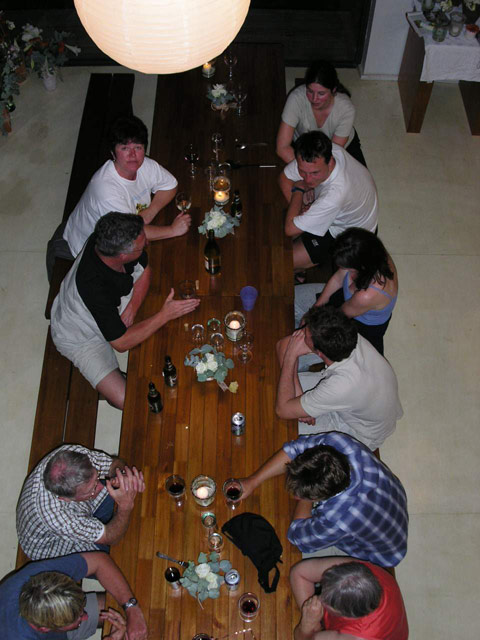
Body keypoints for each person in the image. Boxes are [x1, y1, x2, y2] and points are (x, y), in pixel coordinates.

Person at [50, 212, 199, 409]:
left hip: (108, 309)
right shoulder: (94, 288)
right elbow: (121, 343)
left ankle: (114, 332)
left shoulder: (106, 239)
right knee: (126, 400)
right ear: (123, 255)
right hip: (79, 336)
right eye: (141, 245)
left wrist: (132, 308)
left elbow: (145, 271)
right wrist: (165, 315)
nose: (147, 244)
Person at [46, 115, 189, 281]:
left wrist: (150, 211)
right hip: (77, 252)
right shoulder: (106, 190)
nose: (133, 155)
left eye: (138, 147)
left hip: (118, 240)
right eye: (125, 148)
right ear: (113, 153)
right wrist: (172, 230)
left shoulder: (145, 165)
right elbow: (132, 234)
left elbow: (170, 186)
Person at [239, 431, 408, 567]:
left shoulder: (338, 519)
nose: (294, 496)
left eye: (299, 495)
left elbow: (298, 537)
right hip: (393, 496)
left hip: (384, 552)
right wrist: (253, 481)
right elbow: (294, 449)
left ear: (320, 497)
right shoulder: (339, 443)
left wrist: (306, 499)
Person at [276, 306, 402, 451]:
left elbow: (282, 410)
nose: (302, 332)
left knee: (279, 426)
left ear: (320, 353)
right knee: (281, 388)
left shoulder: (341, 386)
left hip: (358, 431)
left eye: (305, 334)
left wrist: (291, 356)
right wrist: (299, 394)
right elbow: (283, 345)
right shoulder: (347, 336)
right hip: (364, 401)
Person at [16, 444, 145, 560]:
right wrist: (125, 507)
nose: (100, 487)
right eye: (92, 490)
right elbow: (110, 537)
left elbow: (112, 464)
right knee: (117, 557)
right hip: (59, 547)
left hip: (79, 510)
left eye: (97, 477)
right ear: (65, 499)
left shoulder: (72, 454)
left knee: (126, 494)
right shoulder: (58, 518)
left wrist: (121, 475)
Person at [278, 131, 378, 273]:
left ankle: (302, 268)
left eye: (315, 173)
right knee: (283, 228)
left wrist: (298, 190)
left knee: (283, 261)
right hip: (345, 209)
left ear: (330, 162)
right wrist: (301, 209)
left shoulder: (335, 195)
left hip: (351, 234)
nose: (307, 179)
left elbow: (290, 229)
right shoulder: (323, 152)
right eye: (302, 172)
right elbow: (284, 178)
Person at [295, 228, 398, 355]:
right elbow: (338, 279)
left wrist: (309, 324)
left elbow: (337, 317)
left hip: (355, 325)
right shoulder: (367, 250)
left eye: (347, 267)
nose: (341, 268)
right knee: (293, 301)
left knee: (298, 346)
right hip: (345, 301)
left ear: (361, 266)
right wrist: (316, 307)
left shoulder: (368, 295)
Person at [0, 550, 147, 640]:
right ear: (44, 628)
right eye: (78, 618)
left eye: (82, 610)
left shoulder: (40, 578)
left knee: (121, 606)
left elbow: (99, 561)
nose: (86, 616)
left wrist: (132, 609)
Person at [290, 556, 408, 640]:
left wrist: (308, 623)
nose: (318, 598)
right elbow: (299, 572)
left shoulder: (354, 637)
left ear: (344, 615)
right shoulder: (356, 573)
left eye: (327, 602)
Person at [277, 60, 367, 167]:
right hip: (303, 145)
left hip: (338, 147)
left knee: (359, 176)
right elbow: (282, 148)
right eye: (310, 91)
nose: (314, 99)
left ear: (333, 90)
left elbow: (333, 155)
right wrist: (307, 169)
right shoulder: (296, 98)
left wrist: (314, 171)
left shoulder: (346, 109)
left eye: (321, 93)